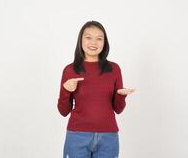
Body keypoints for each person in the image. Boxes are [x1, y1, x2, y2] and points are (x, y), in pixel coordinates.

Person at [57, 21, 136, 158]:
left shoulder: (114, 69)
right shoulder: (70, 70)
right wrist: (66, 90)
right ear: (80, 40)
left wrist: (121, 96)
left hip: (108, 138)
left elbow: (118, 109)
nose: (94, 42)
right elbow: (63, 111)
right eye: (88, 37)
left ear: (104, 42)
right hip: (77, 136)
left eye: (99, 38)